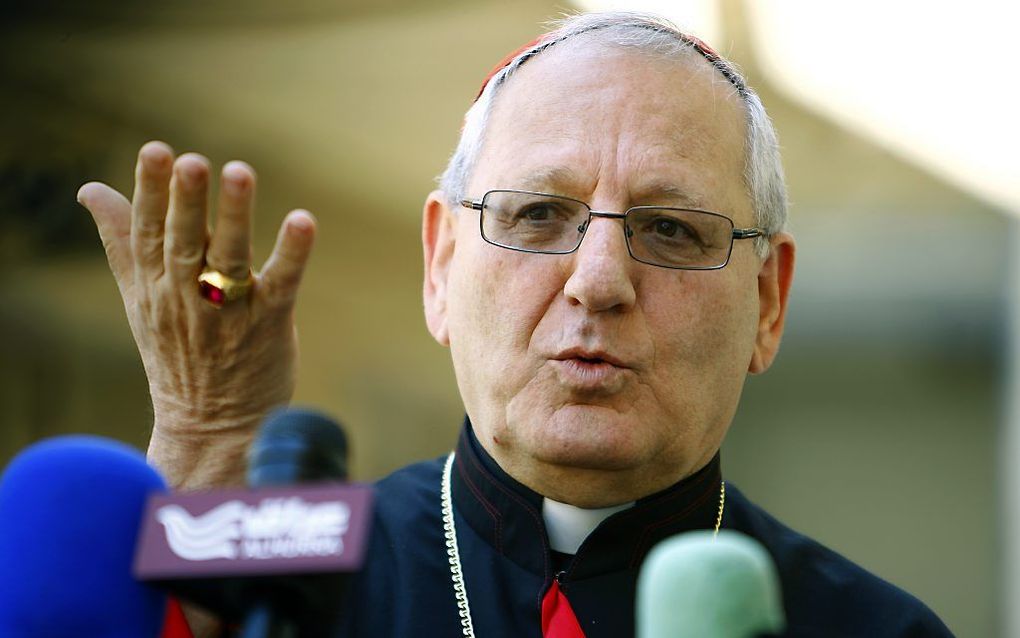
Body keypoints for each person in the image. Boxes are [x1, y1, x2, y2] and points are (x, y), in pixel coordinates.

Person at [78, 11, 953, 638]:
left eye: (671, 229)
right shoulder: (287, 598)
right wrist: (201, 449)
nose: (599, 281)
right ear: (441, 265)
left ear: (767, 303)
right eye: (538, 215)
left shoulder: (876, 628)